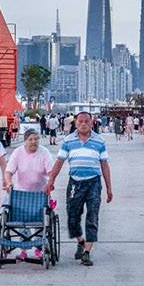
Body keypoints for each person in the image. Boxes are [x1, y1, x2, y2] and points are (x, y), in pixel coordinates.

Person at [45, 111, 114, 266]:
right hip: (75, 183)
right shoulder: (68, 141)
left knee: (92, 216)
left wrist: (109, 188)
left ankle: (87, 252)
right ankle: (81, 241)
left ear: (91, 123)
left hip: (93, 183)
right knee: (72, 217)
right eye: (80, 121)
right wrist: (51, 180)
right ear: (75, 123)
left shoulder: (99, 141)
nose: (83, 124)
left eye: (86, 121)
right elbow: (59, 161)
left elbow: (104, 165)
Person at [3, 128, 55, 262]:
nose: (34, 142)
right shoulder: (18, 152)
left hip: (39, 193)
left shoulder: (44, 152)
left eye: (36, 139)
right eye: (31, 139)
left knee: (40, 221)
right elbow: (8, 171)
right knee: (22, 221)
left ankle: (39, 248)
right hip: (21, 192)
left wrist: (50, 182)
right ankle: (23, 250)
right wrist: (8, 183)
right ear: (25, 141)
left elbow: (51, 172)